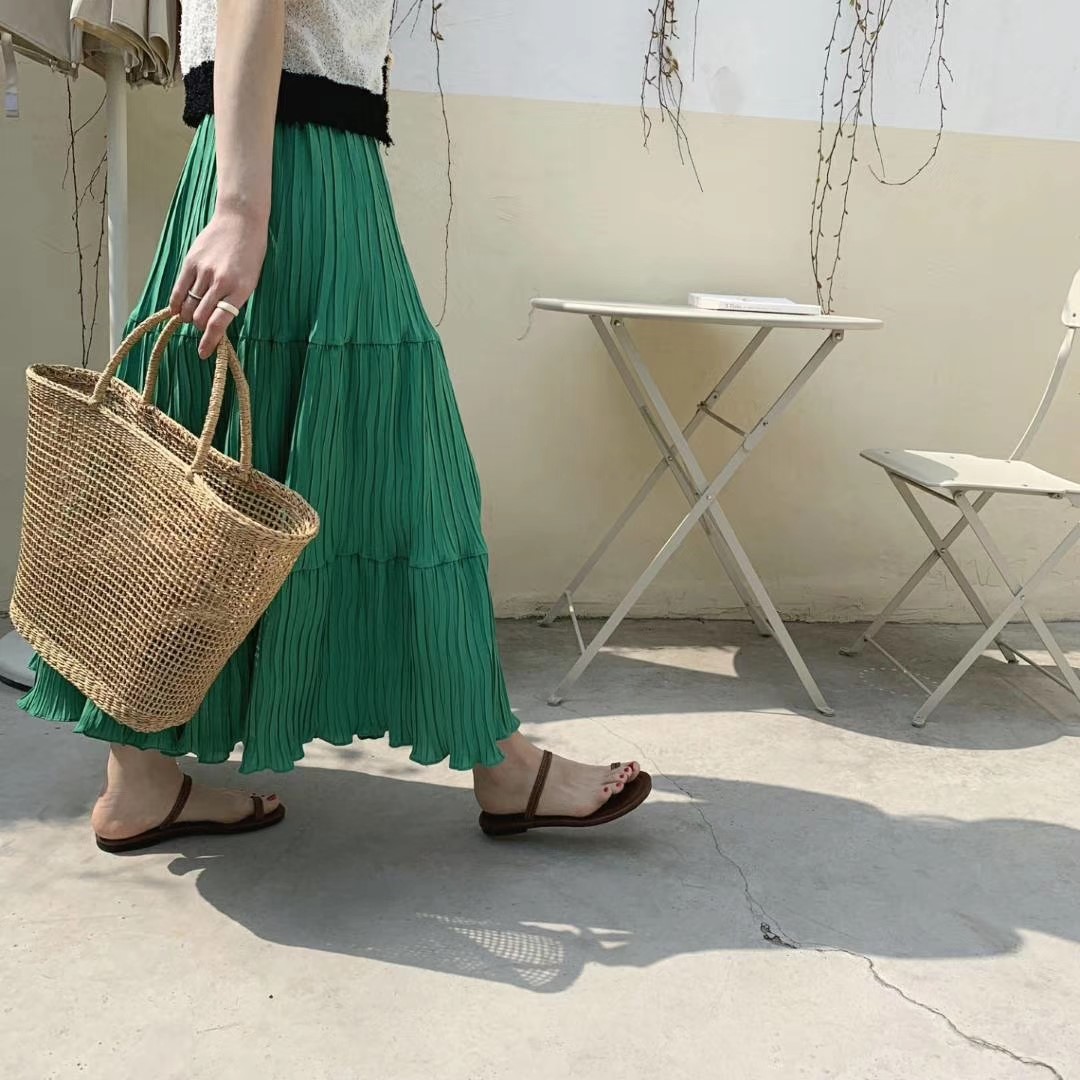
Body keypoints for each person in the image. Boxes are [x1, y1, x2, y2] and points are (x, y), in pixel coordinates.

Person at [20, 0, 651, 852]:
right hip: (299, 165)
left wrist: (237, 198)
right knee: (403, 463)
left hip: (268, 155)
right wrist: (243, 211)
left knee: (194, 450)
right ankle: (499, 762)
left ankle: (140, 779)